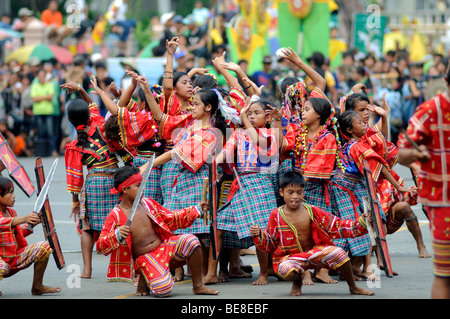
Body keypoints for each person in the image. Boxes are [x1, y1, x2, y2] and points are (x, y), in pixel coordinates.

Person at [250, 171, 374, 296]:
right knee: (285, 270)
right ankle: (297, 281)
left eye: (299, 192)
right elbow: (270, 242)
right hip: (292, 258)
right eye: (290, 192)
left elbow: (337, 226)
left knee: (340, 254)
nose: (295, 196)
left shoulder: (312, 211)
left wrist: (361, 222)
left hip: (315, 252)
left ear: (303, 193)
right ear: (281, 192)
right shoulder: (276, 215)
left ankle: (353, 287)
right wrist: (259, 234)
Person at [205, 97, 282, 286]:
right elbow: (226, 151)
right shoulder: (238, 134)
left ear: (267, 115)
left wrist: (243, 118)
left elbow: (261, 143)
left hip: (260, 184)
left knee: (260, 230)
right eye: (249, 114)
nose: (252, 116)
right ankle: (211, 273)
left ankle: (263, 273)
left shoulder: (270, 133)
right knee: (219, 225)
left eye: (256, 113)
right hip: (240, 185)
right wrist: (214, 161)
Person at [117, 165, 219, 297]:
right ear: (125, 189)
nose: (143, 189)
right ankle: (145, 275)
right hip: (145, 258)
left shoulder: (149, 204)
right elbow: (102, 245)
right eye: (138, 186)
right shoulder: (116, 215)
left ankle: (198, 286)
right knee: (163, 290)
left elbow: (172, 218)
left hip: (165, 248)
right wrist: (116, 234)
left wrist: (197, 210)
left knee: (191, 240)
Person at [62, 82, 127, 279]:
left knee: (87, 227)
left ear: (71, 121)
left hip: (94, 183)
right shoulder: (100, 124)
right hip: (115, 180)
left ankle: (87, 270)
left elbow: (75, 178)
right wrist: (81, 89)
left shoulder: (74, 145)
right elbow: (92, 104)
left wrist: (75, 202)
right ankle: (123, 268)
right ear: (89, 115)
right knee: (119, 223)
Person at [397, 64, 450, 299]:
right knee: (444, 274)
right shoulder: (430, 110)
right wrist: (418, 155)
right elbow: (402, 153)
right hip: (443, 201)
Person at [0, 176, 61, 297]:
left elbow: (17, 234)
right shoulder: (10, 217)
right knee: (2, 268)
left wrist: (31, 224)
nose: (14, 196)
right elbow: (3, 222)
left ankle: (37, 287)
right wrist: (24, 219)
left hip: (13, 259)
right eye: (9, 193)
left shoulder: (11, 213)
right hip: (2, 263)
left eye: (13, 192)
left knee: (43, 247)